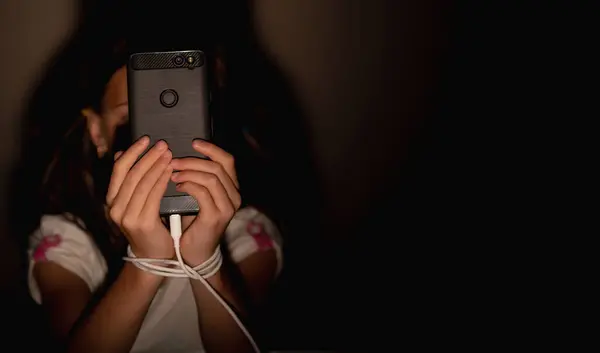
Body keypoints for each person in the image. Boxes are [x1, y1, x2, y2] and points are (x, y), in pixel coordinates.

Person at [12, 4, 283, 353]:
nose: (162, 148)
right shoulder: (69, 242)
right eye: (131, 124)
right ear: (98, 133)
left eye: (178, 123)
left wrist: (206, 259)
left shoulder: (245, 232)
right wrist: (146, 263)